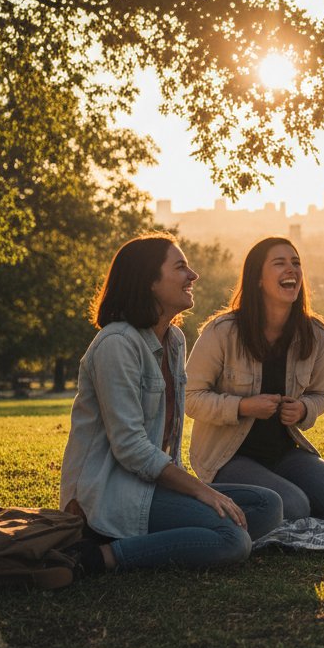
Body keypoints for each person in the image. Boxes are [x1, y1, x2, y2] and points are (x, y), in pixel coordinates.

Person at [60, 234, 283, 575]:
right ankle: (99, 556)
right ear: (148, 281)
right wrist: (201, 492)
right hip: (111, 493)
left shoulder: (174, 340)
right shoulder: (116, 344)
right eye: (181, 267)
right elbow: (130, 448)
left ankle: (176, 535)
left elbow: (167, 437)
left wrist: (196, 493)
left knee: (268, 504)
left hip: (151, 485)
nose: (193, 275)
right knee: (233, 540)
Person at [186, 237, 324, 522]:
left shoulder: (315, 334)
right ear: (257, 279)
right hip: (227, 457)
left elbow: (319, 395)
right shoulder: (222, 331)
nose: (291, 270)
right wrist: (243, 407)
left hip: (283, 453)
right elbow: (189, 397)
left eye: (296, 263)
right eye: (279, 263)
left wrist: (304, 409)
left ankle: (272, 491)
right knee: (293, 506)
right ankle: (227, 495)